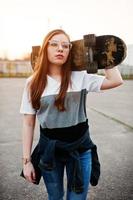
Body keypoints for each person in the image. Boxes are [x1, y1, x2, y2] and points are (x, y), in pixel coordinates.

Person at [20, 29, 123, 200]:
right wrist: (27, 161)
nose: (60, 49)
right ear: (45, 49)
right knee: (55, 196)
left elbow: (115, 80)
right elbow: (28, 123)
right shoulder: (33, 83)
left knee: (77, 197)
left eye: (65, 46)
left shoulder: (79, 77)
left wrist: (104, 55)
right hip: (50, 151)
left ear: (70, 51)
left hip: (80, 148)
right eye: (54, 44)